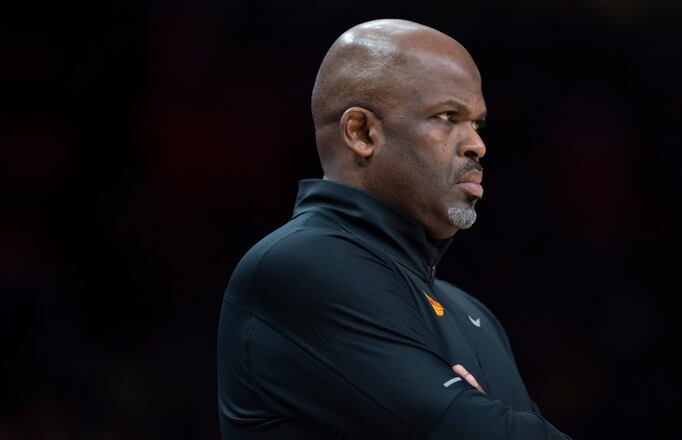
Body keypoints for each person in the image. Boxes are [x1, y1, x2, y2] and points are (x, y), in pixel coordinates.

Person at [217, 19, 572, 439]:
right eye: (448, 117)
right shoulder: (301, 265)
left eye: (477, 124)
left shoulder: (475, 315)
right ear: (362, 133)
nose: (477, 145)